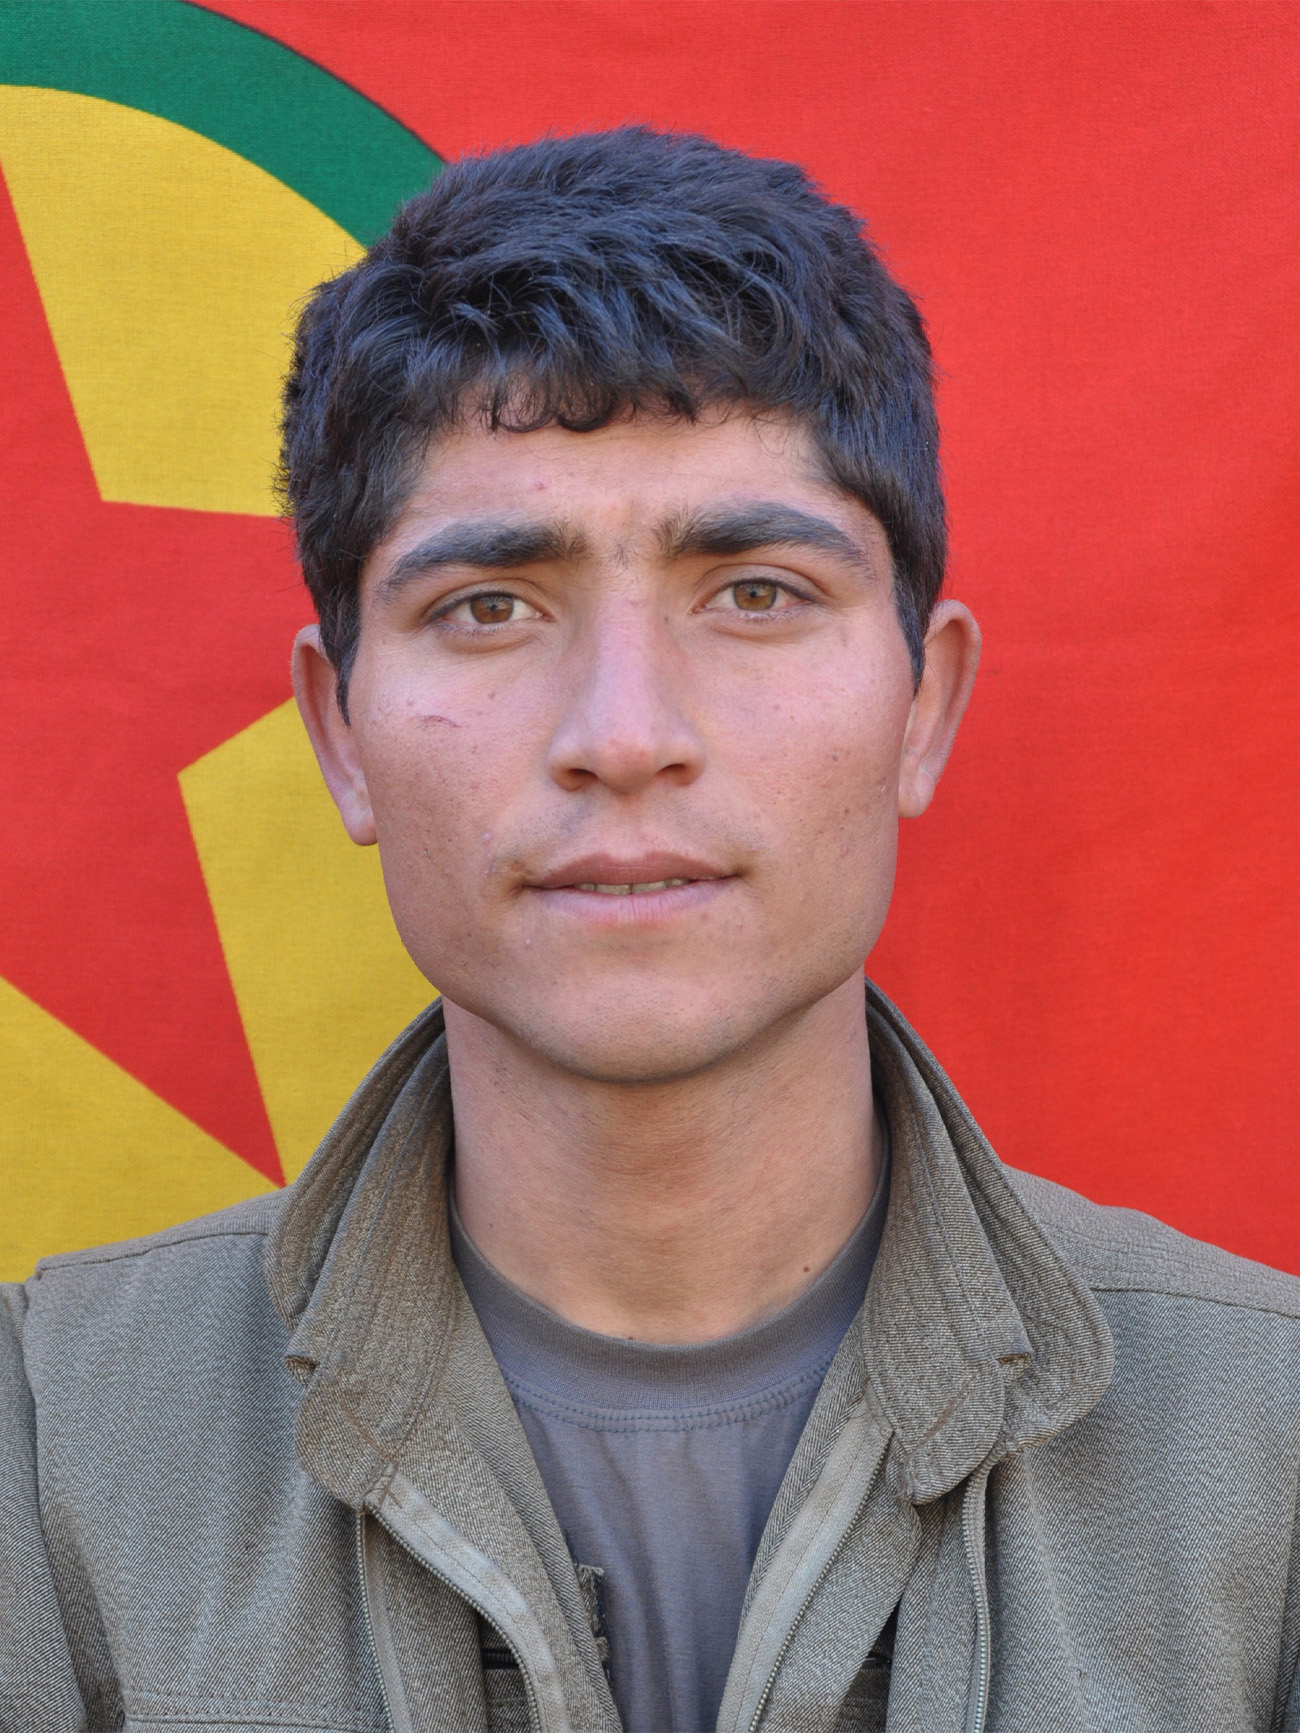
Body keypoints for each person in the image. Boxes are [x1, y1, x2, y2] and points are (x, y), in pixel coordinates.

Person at [3, 126, 1299, 1733]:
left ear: (925, 706)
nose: (624, 734)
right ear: (340, 734)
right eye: (490, 606)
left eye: (755, 591)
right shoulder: (46, 1450)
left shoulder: (1271, 1451)